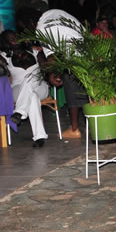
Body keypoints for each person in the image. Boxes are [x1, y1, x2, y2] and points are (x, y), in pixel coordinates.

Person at [35, 9, 85, 138]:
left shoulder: (41, 28)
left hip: (72, 55)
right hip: (85, 47)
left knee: (70, 84)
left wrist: (52, 74)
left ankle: (74, 129)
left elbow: (52, 56)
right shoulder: (60, 14)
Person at [0, 30, 49, 146]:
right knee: (32, 97)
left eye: (16, 37)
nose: (16, 40)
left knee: (30, 79)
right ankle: (39, 137)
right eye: (12, 39)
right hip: (18, 89)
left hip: (40, 86)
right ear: (7, 43)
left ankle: (19, 112)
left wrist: (42, 52)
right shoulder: (5, 56)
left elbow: (46, 66)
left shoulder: (34, 51)